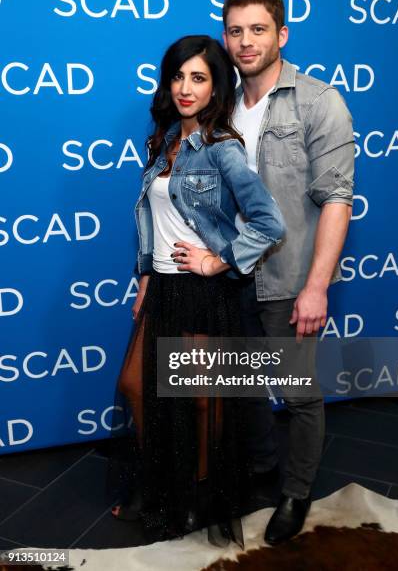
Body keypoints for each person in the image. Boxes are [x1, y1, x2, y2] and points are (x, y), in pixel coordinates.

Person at [109, 34, 285, 548]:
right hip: (163, 288)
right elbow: (151, 220)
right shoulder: (162, 141)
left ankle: (192, 494)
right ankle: (160, 480)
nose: (186, 87)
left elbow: (268, 223)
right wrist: (146, 277)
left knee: (199, 402)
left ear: (216, 88)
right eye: (179, 76)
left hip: (203, 292)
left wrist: (219, 260)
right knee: (139, 387)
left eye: (199, 78)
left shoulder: (222, 149)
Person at [222, 0, 355, 544]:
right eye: (235, 31)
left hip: (288, 279)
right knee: (240, 386)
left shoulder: (319, 102)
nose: (245, 41)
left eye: (257, 30)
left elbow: (336, 199)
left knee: (298, 394)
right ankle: (258, 470)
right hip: (228, 279)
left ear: (281, 33)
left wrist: (317, 286)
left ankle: (296, 494)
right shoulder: (219, 102)